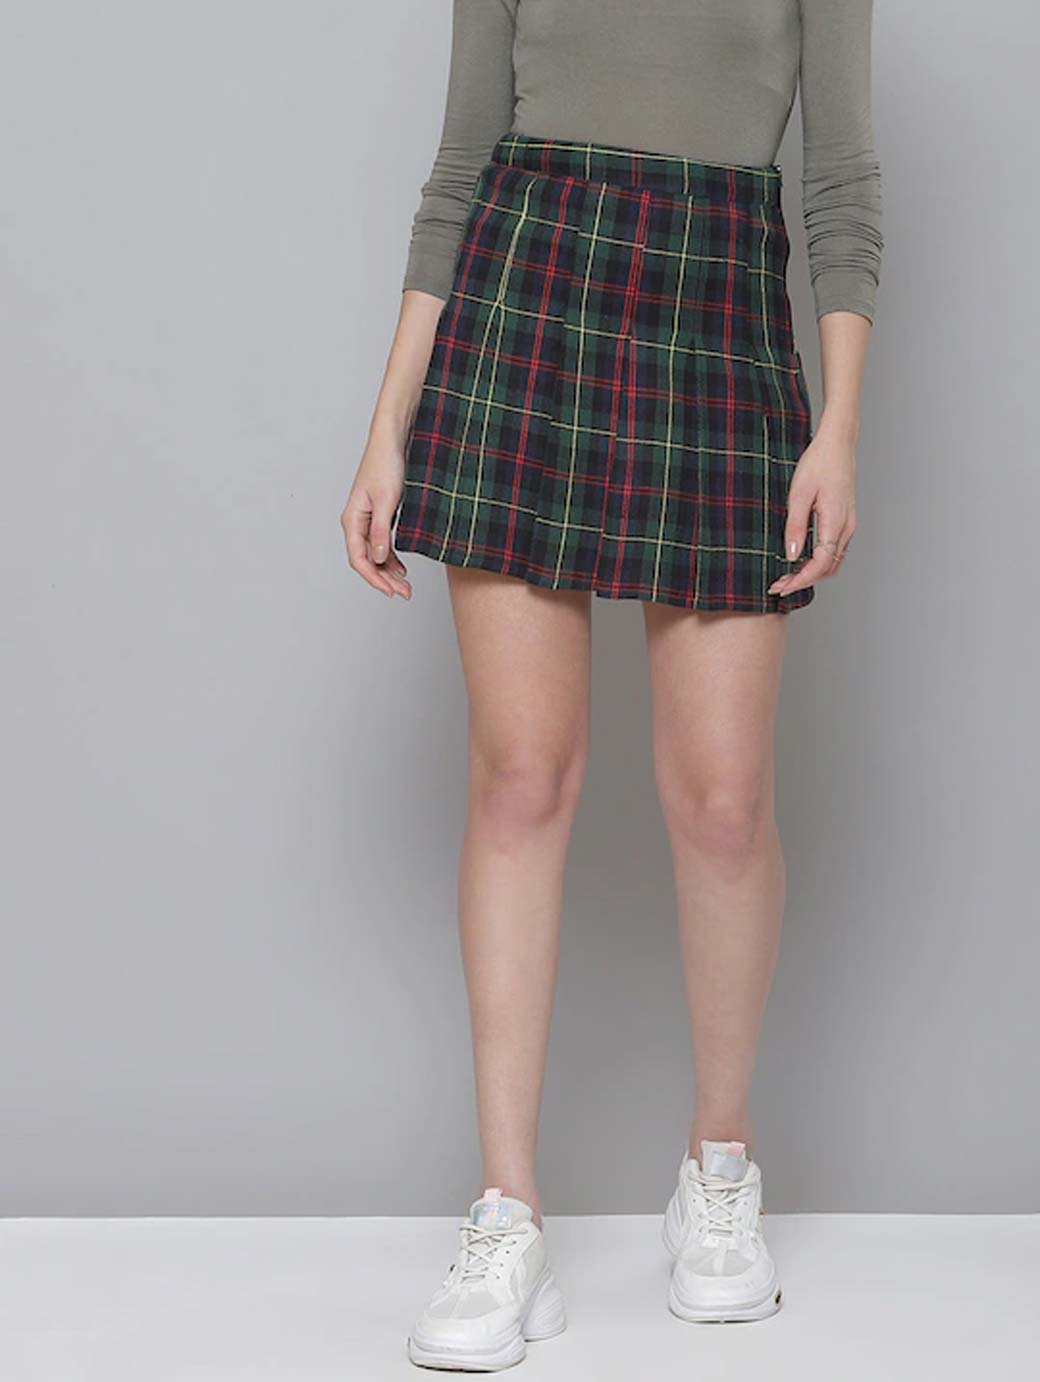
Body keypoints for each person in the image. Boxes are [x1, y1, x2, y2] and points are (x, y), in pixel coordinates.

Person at [343, 1, 882, 1370]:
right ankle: (508, 1214)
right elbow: (459, 167)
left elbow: (840, 182)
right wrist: (387, 426)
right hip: (522, 313)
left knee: (723, 800)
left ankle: (719, 1169)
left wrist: (838, 428)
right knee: (522, 779)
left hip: (718, 320)